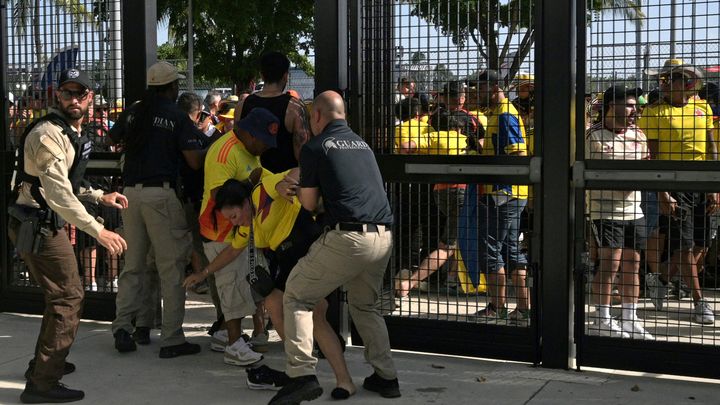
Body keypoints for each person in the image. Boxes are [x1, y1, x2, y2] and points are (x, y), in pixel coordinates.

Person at [269, 91, 399, 404]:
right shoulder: (362, 145)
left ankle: (300, 375)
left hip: (348, 238)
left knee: (297, 295)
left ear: (316, 116)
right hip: (383, 237)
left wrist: (295, 190)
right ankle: (386, 377)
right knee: (364, 306)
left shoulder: (315, 147)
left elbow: (310, 203)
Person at [8, 68, 128, 403]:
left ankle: (43, 366)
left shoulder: (69, 131)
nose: (73, 99)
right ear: (57, 96)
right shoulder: (47, 134)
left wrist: (98, 196)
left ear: (91, 98)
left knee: (59, 297)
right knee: (68, 297)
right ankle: (42, 383)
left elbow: (68, 186)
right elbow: (58, 195)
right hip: (38, 225)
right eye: (67, 93)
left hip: (42, 221)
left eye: (80, 93)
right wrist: (98, 229)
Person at [188, 174, 356, 398]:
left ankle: (318, 376)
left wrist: (290, 186)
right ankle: (307, 373)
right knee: (286, 307)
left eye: (235, 215)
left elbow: (289, 176)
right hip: (290, 260)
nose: (235, 222)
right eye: (230, 219)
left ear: (246, 202)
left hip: (306, 247)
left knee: (311, 315)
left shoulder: (261, 191)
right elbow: (232, 251)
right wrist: (203, 274)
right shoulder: (247, 226)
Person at [109, 61, 205, 357]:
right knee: (170, 268)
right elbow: (194, 162)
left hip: (129, 195)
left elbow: (113, 138)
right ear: (173, 87)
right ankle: (172, 338)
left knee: (134, 266)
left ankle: (124, 327)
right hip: (161, 196)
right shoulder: (176, 115)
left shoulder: (135, 110)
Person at [190, 107, 282, 366]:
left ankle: (231, 334)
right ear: (251, 134)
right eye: (264, 143)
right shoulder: (224, 152)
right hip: (221, 234)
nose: (265, 149)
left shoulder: (249, 149)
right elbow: (222, 197)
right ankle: (233, 344)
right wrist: (252, 194)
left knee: (248, 283)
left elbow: (258, 176)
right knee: (232, 287)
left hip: (240, 233)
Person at [638, 59, 717, 324]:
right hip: (672, 184)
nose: (668, 84)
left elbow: (711, 147)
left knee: (702, 243)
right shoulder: (654, 112)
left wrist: (714, 186)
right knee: (685, 245)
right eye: (667, 79)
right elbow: (653, 155)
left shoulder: (702, 106)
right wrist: (661, 192)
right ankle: (699, 302)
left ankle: (661, 279)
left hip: (701, 182)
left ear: (689, 83)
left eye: (675, 79)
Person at [586, 85, 653, 340]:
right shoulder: (593, 135)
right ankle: (602, 318)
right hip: (603, 209)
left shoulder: (639, 135)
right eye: (629, 105)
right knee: (609, 264)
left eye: (636, 106)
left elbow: (646, 168)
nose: (634, 110)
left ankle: (630, 318)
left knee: (632, 263)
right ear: (611, 106)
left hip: (633, 209)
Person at [469, 69, 531, 324]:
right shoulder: (495, 113)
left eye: (480, 88)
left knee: (491, 249)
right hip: (505, 193)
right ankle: (524, 309)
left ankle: (498, 307)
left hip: (504, 193)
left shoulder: (506, 114)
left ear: (494, 88)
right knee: (510, 250)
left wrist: (501, 186)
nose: (476, 93)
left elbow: (516, 154)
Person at [238, 51, 311, 174]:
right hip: (283, 185)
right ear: (285, 76)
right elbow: (304, 155)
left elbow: (236, 145)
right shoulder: (296, 108)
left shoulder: (242, 105)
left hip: (250, 183)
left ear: (262, 75)